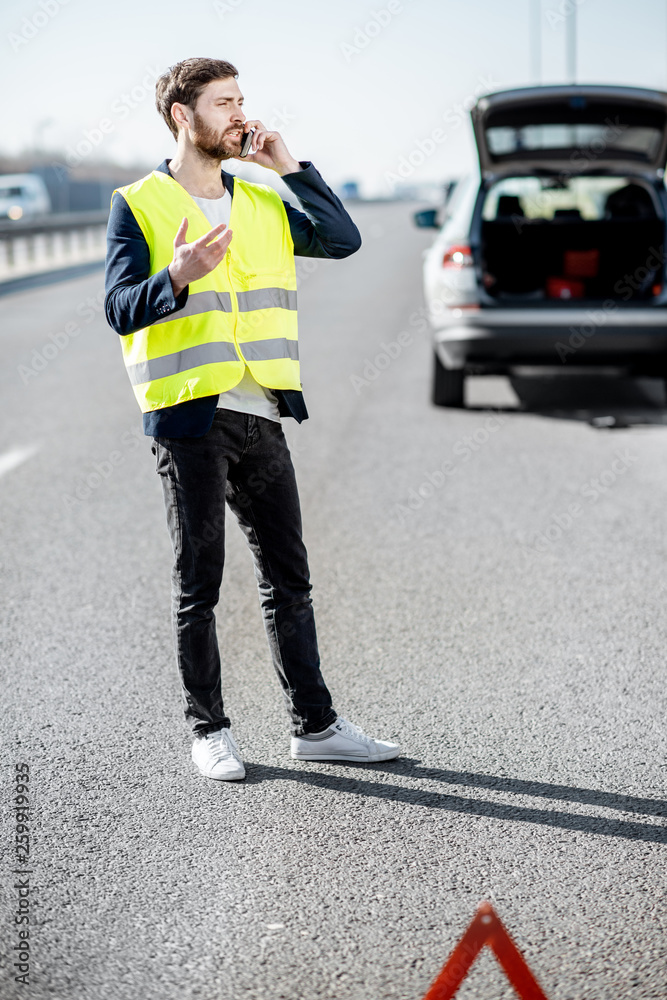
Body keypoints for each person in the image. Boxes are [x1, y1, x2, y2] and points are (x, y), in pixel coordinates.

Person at [104, 57, 401, 780]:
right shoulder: (139, 202)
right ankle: (209, 731)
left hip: (261, 413)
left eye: (242, 100)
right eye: (223, 102)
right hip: (190, 418)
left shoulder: (260, 197)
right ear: (183, 115)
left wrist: (289, 164)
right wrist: (174, 276)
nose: (240, 113)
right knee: (198, 582)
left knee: (289, 579)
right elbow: (118, 308)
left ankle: (316, 726)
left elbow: (341, 239)